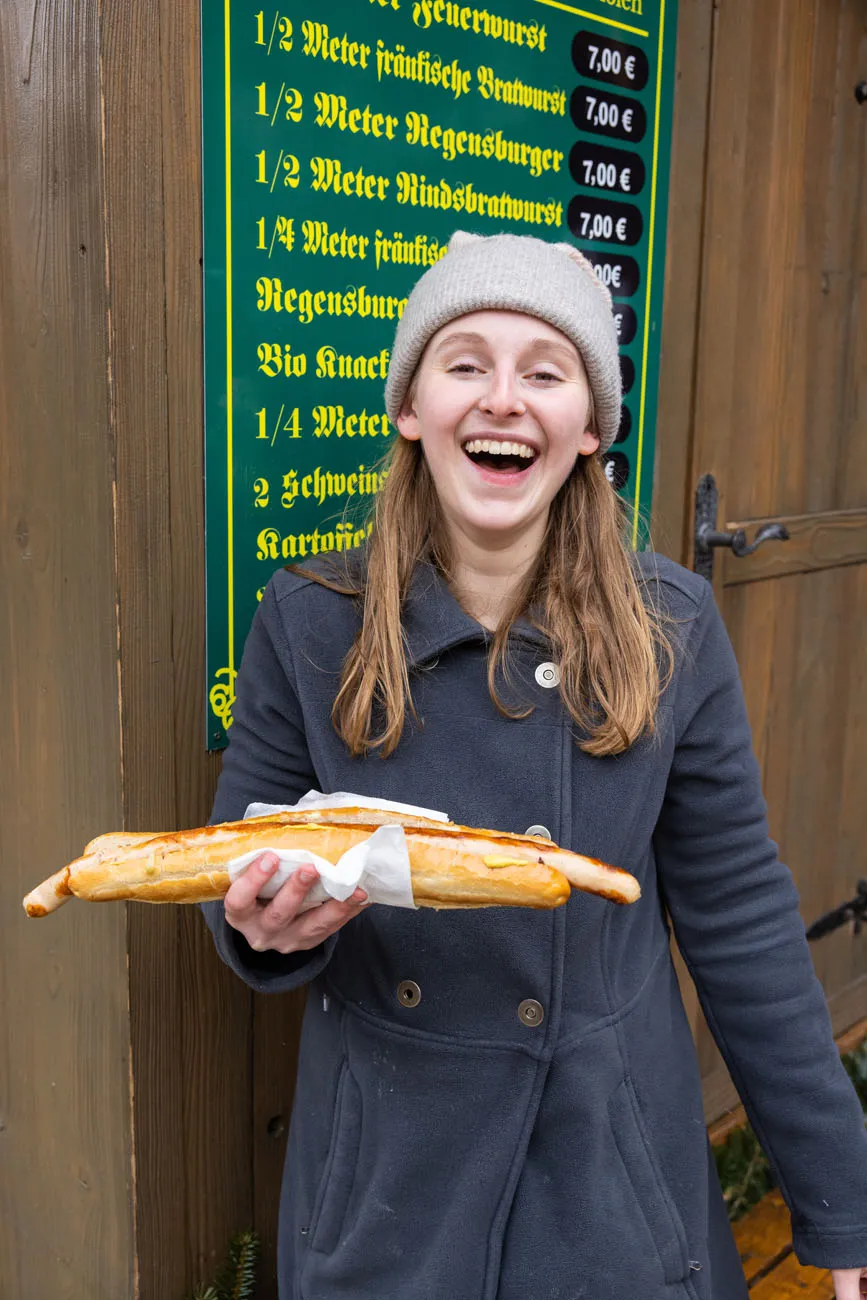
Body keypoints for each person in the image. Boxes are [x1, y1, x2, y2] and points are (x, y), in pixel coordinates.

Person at [202, 231, 867, 1299]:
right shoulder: (306, 624)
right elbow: (233, 864)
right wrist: (260, 925)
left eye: (545, 372)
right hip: (389, 1183)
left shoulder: (672, 627)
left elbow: (741, 921)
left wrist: (840, 1205)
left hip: (608, 1177)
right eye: (465, 362)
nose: (503, 398)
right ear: (410, 408)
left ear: (592, 426)